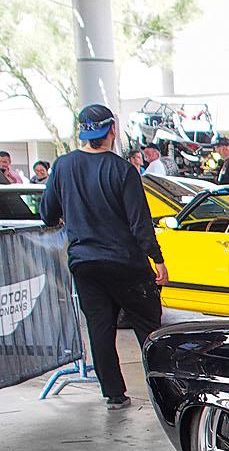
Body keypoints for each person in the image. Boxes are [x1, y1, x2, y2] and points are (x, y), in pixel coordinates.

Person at [38, 104, 169, 410]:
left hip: (85, 263)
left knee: (100, 328)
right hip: (126, 264)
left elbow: (47, 214)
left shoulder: (63, 166)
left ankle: (114, 394)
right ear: (112, 129)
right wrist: (157, 259)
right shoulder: (123, 170)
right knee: (149, 329)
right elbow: (139, 223)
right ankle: (165, 391)